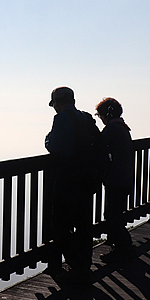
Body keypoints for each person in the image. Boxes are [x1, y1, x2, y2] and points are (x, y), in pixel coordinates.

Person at [45, 86, 100, 284]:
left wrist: (47, 139)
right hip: (87, 178)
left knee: (60, 224)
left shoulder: (61, 118)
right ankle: (83, 266)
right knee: (83, 223)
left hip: (68, 177)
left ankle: (74, 266)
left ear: (58, 102)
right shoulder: (85, 117)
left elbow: (54, 146)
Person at [95, 97, 135, 263]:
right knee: (115, 213)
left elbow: (97, 146)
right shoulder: (122, 128)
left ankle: (123, 248)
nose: (101, 119)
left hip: (116, 179)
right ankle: (120, 246)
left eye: (101, 115)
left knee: (113, 215)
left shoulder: (112, 129)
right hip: (124, 177)